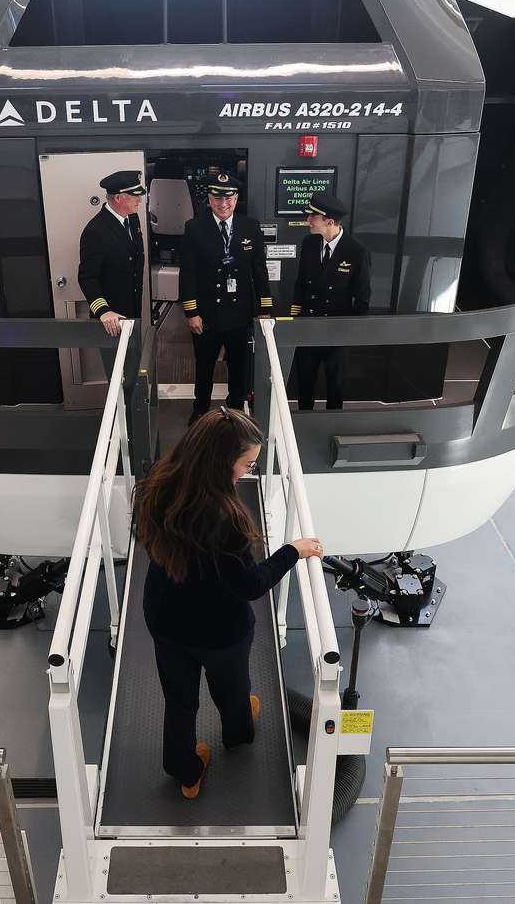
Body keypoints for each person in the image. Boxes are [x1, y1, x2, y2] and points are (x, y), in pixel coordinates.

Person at [135, 407, 324, 799]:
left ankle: (185, 771)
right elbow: (251, 585)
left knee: (180, 701)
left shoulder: (155, 484)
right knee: (233, 689)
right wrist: (293, 550)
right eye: (247, 464)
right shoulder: (227, 520)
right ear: (221, 463)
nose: (248, 473)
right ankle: (237, 735)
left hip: (165, 618)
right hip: (219, 631)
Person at [179, 173, 273, 422]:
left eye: (229, 198)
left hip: (239, 313)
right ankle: (200, 410)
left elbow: (259, 271)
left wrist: (264, 308)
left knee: (239, 365)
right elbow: (187, 273)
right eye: (218, 198)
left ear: (236, 198)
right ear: (209, 199)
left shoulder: (250, 227)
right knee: (205, 365)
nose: (223, 204)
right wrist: (191, 312)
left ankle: (236, 412)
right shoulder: (194, 227)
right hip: (207, 314)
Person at [289, 193, 371, 410]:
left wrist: (347, 332)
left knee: (335, 384)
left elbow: (362, 300)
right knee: (305, 381)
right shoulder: (308, 243)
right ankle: (304, 422)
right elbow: (300, 284)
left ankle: (332, 425)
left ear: (329, 222)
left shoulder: (356, 251)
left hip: (336, 331)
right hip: (308, 326)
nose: (308, 221)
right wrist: (296, 317)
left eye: (312, 217)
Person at [78, 170, 147, 354]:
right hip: (113, 321)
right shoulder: (96, 231)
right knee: (117, 376)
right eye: (135, 196)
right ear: (118, 198)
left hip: (133, 312)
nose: (139, 200)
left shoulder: (132, 218)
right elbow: (87, 278)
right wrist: (103, 311)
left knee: (132, 368)